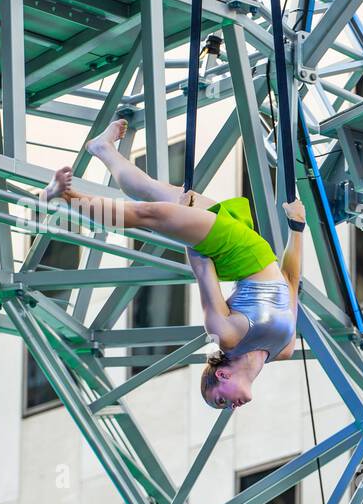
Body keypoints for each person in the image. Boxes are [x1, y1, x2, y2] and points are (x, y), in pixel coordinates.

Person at [43, 118, 305, 409]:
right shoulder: (284, 349)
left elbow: (203, 272)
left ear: (221, 374)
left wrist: (187, 225)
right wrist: (297, 229)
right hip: (251, 243)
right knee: (151, 192)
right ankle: (103, 149)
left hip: (229, 246)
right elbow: (291, 280)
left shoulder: (228, 337)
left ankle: (64, 197)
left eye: (220, 399)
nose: (229, 406)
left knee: (147, 214)